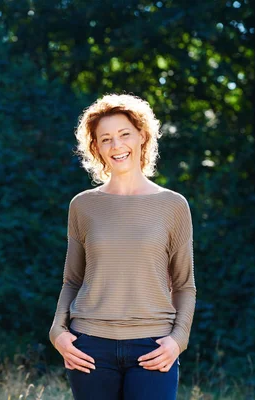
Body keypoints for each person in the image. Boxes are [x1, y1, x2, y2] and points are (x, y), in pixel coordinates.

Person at [49, 93, 196, 400]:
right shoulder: (83, 206)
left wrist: (178, 339)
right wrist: (58, 332)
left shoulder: (173, 206)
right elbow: (72, 280)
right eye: (105, 139)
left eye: (124, 134)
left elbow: (184, 285)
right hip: (89, 347)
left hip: (153, 347)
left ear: (142, 136)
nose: (116, 146)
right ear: (96, 148)